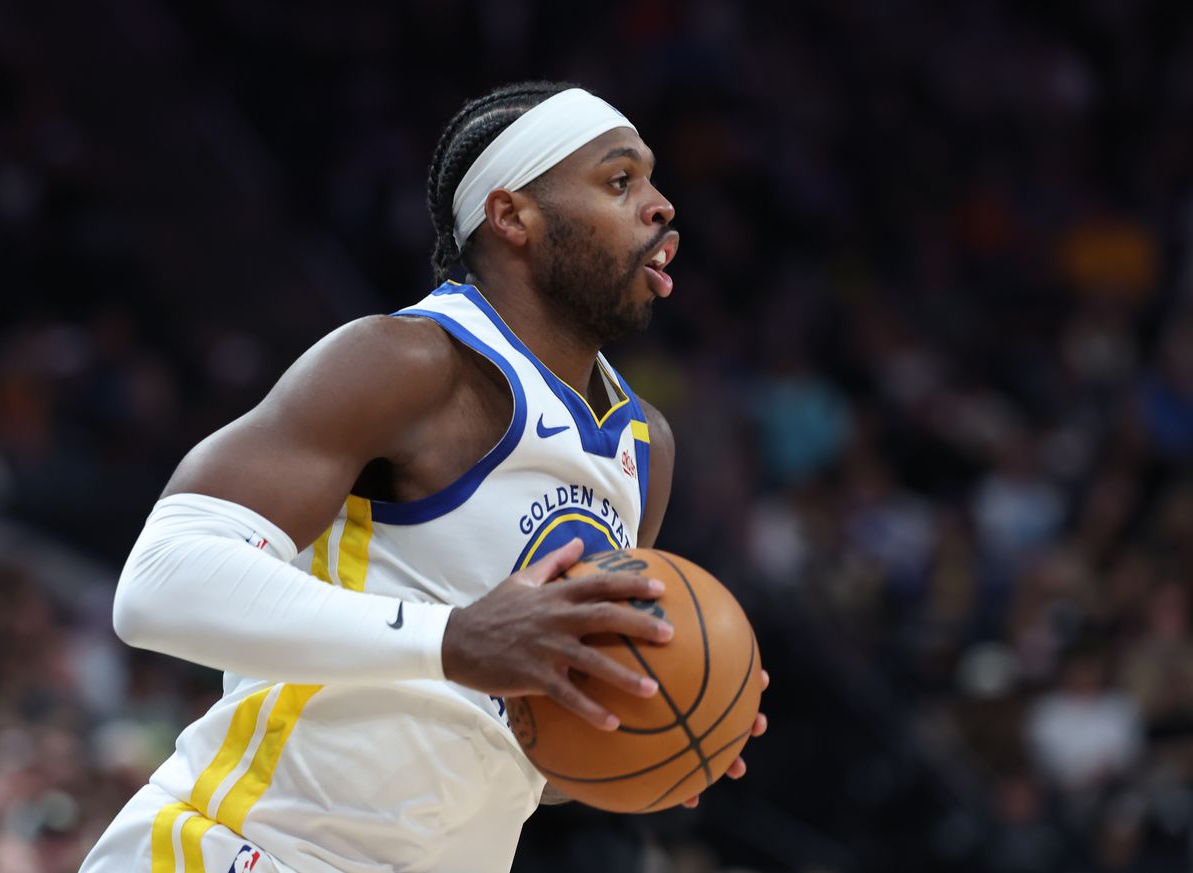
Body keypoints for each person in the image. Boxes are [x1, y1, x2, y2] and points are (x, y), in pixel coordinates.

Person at [80, 81, 769, 873]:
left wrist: (661, 721)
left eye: (651, 181)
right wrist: (454, 638)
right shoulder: (408, 361)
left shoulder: (646, 449)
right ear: (512, 216)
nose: (661, 208)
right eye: (620, 182)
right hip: (243, 848)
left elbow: (510, 736)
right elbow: (159, 584)